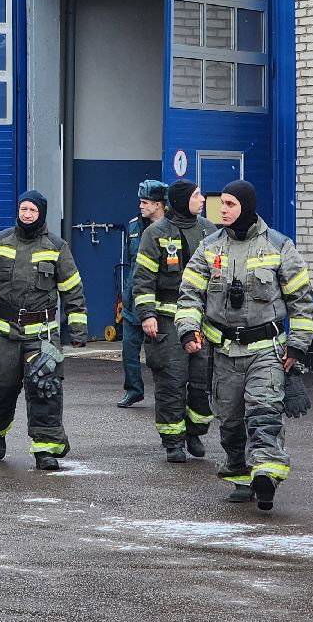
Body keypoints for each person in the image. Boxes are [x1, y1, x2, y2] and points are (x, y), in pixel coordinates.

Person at [175, 180, 313, 512]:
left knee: (264, 412)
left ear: (247, 207)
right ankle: (240, 473)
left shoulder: (279, 247)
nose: (222, 210)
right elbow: (189, 295)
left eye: (230, 204)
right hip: (223, 352)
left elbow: (301, 302)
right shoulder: (209, 248)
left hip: (266, 351)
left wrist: (297, 347)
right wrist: (188, 330)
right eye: (221, 203)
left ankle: (266, 473)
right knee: (230, 420)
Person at [0, 189, 87, 471]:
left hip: (42, 335)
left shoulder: (57, 247)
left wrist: (78, 328)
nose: (27, 215)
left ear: (41, 214)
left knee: (46, 389)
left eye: (32, 210)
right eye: (23, 209)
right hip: (3, 334)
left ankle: (45, 449)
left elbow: (72, 290)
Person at [133, 179, 216, 463]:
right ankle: (173, 441)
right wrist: (147, 315)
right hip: (167, 321)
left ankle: (195, 431)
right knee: (172, 382)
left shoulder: (209, 230)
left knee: (202, 381)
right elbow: (143, 279)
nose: (202, 199)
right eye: (197, 195)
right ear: (182, 200)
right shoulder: (156, 233)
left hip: (203, 321)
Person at [118, 180, 168, 408]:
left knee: (162, 352)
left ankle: (167, 394)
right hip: (133, 298)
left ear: (158, 205)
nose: (140, 206)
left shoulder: (171, 228)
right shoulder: (133, 226)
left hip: (160, 299)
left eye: (145, 202)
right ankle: (133, 390)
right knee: (129, 348)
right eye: (140, 201)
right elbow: (131, 262)